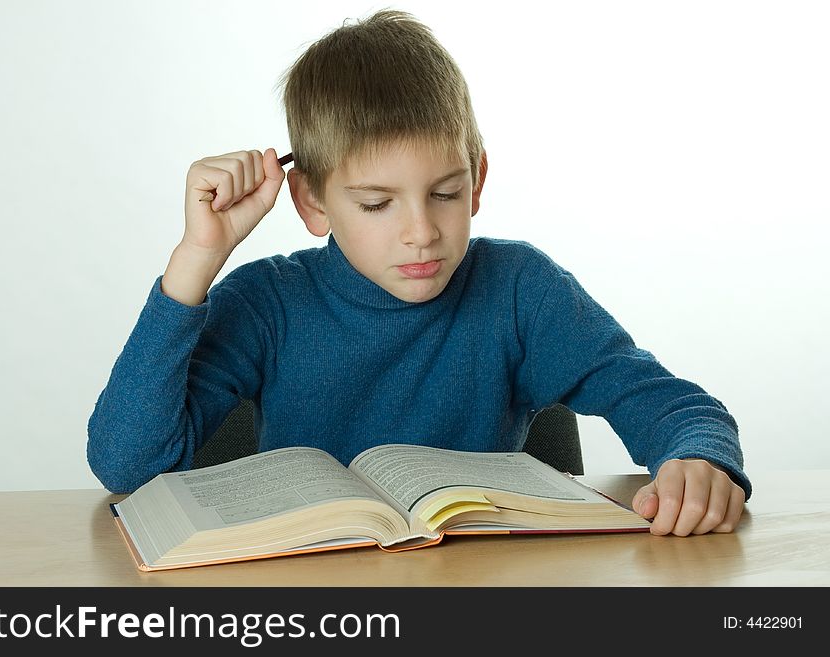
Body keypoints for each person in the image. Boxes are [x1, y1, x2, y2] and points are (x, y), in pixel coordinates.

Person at [87, 9, 749, 536]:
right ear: (312, 201)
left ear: (478, 180)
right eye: (377, 203)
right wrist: (196, 260)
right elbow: (126, 463)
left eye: (445, 192)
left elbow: (671, 403)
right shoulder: (268, 304)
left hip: (482, 594)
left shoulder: (519, 289)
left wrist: (698, 457)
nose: (421, 231)